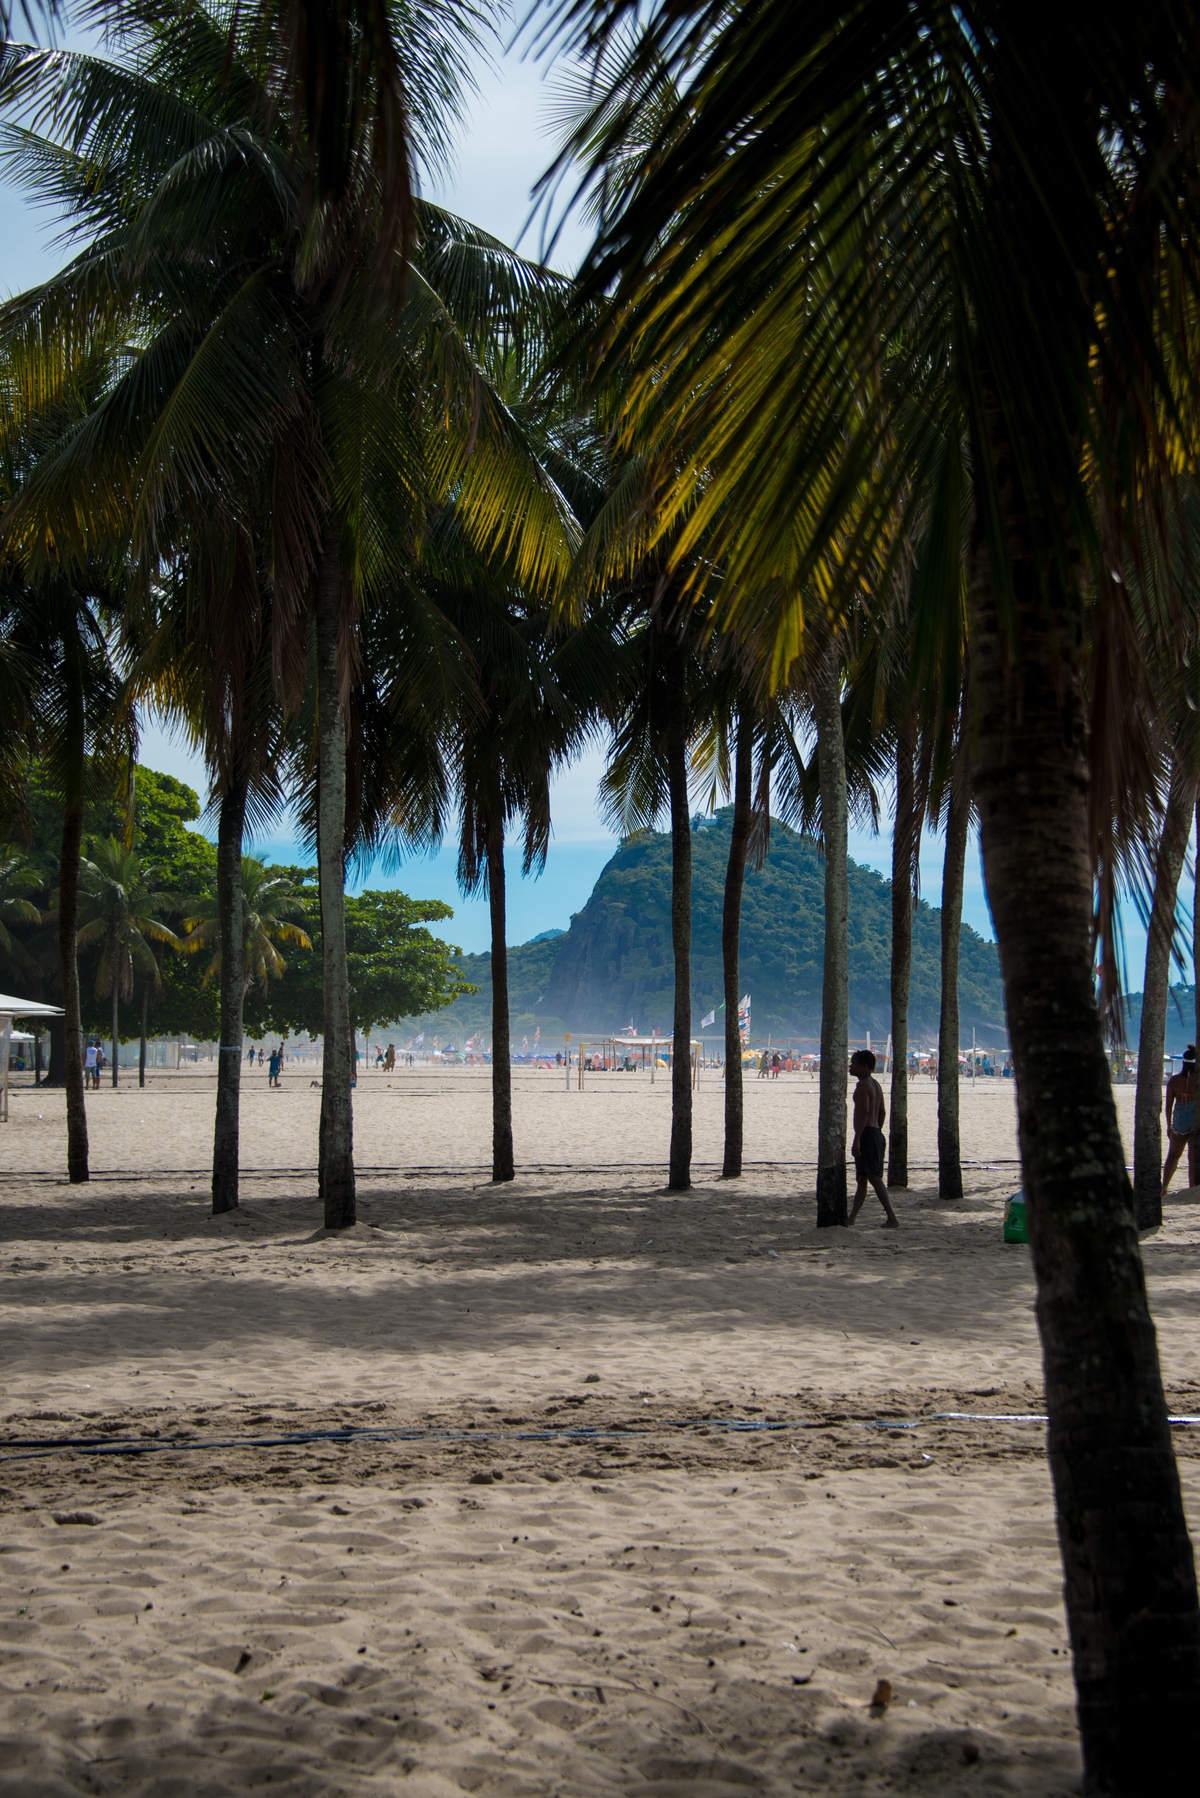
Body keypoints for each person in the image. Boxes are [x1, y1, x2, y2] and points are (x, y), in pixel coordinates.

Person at [848, 1048, 900, 1227]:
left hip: (867, 1133)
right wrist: (877, 1131)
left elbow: (865, 1111)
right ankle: (852, 1217)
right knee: (862, 1177)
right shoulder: (876, 1084)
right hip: (876, 1131)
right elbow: (882, 1112)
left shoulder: (863, 1085)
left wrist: (858, 1138)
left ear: (864, 1066)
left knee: (873, 1176)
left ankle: (891, 1216)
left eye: (854, 1063)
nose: (850, 1066)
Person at [1162, 1046, 1197, 1195]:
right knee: (1193, 1157)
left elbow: (1169, 1105)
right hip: (1196, 1116)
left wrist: (1169, 1125)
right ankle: (1193, 1187)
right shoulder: (1198, 1079)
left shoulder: (1174, 1080)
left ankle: (1164, 1188)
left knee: (1173, 1155)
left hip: (1179, 1117)